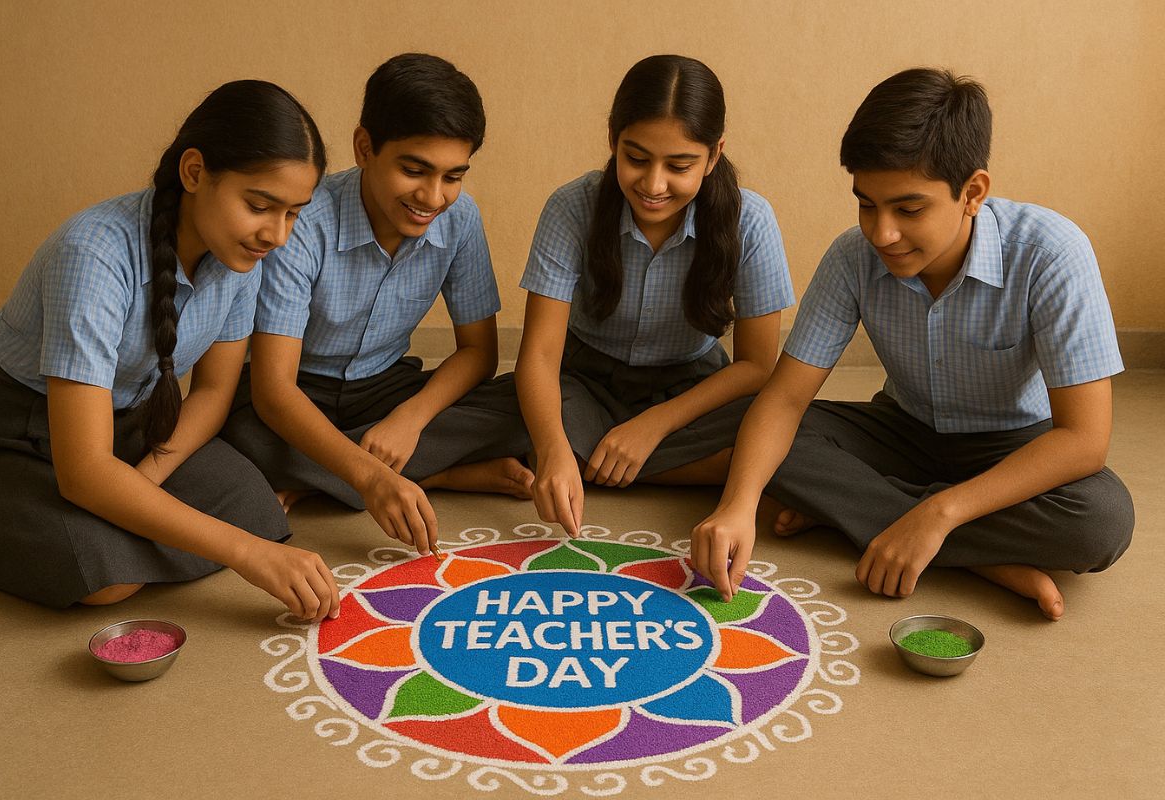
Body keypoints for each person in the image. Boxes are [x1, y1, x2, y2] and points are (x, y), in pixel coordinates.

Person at [691, 68, 1134, 620]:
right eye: (866, 204)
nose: (882, 233)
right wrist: (736, 506)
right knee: (756, 433)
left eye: (909, 209)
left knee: (1102, 520)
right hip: (902, 430)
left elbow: (1084, 440)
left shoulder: (1051, 254)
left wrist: (939, 514)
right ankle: (983, 560)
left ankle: (884, 521)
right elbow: (784, 399)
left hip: (1012, 445)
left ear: (972, 193)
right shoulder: (851, 257)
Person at [0, 80, 342, 621]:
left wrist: (145, 480)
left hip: (133, 424)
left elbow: (213, 393)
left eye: (293, 214)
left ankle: (115, 519)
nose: (276, 236)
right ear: (194, 172)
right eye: (260, 206)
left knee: (254, 504)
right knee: (107, 580)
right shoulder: (92, 255)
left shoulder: (240, 257)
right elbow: (85, 468)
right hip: (20, 434)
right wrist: (246, 553)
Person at [222, 54, 532, 557]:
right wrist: (370, 478)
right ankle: (435, 473)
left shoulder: (460, 220)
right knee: (237, 436)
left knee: (528, 404)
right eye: (414, 170)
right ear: (364, 147)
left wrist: (409, 419)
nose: (433, 197)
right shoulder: (303, 222)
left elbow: (479, 353)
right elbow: (275, 391)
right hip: (296, 393)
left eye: (453, 176)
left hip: (386, 389)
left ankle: (319, 479)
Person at [516, 54, 793, 538]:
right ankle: (698, 467)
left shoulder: (751, 220)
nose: (653, 185)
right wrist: (554, 449)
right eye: (637, 159)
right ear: (613, 140)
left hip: (690, 388)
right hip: (584, 379)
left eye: (679, 165)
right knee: (519, 413)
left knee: (790, 428)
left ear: (714, 155)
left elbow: (756, 366)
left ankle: (592, 460)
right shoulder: (571, 207)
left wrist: (652, 425)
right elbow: (539, 356)